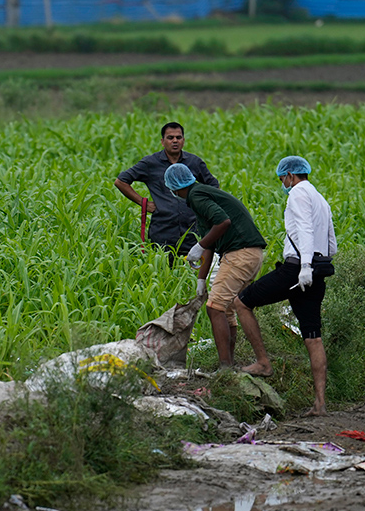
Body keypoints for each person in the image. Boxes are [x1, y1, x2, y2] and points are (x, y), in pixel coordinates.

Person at [233, 155, 337, 416]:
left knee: (242, 302)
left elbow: (303, 229)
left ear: (291, 175)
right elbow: (331, 242)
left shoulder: (298, 194)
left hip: (297, 269)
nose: (283, 184)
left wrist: (303, 267)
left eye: (283, 179)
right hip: (319, 269)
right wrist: (317, 265)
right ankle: (320, 403)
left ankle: (263, 363)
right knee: (313, 336)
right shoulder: (320, 199)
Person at [164, 163, 269, 373]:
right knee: (228, 309)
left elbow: (223, 222)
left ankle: (225, 368)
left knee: (215, 307)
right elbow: (210, 242)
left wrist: (198, 246)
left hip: (240, 253)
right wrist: (201, 280)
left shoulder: (196, 195)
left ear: (174, 188)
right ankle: (229, 364)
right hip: (250, 254)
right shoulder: (202, 195)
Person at [114, 122, 219, 257]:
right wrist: (143, 203)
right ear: (163, 142)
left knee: (192, 270)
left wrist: (203, 206)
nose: (175, 141)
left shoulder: (194, 162)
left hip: (192, 231)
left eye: (178, 137)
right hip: (163, 230)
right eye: (170, 138)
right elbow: (121, 181)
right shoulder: (150, 163)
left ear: (183, 141)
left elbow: (213, 185)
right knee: (162, 270)